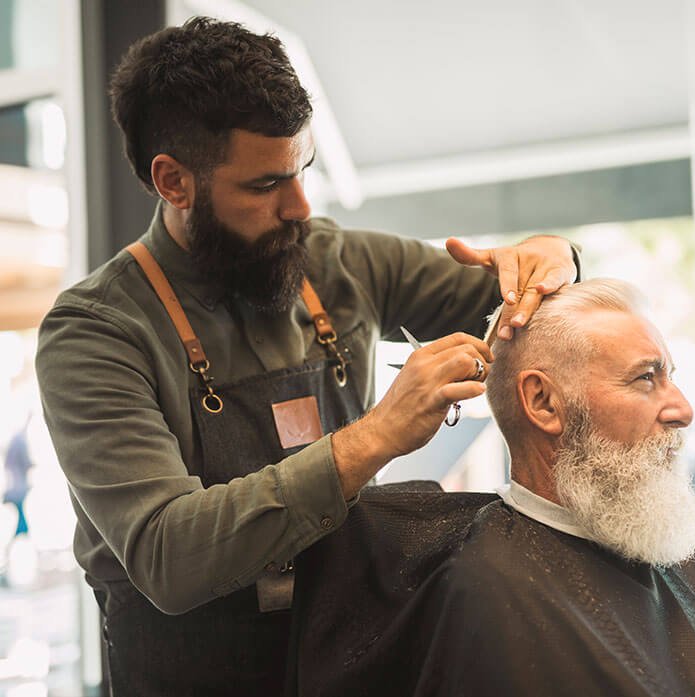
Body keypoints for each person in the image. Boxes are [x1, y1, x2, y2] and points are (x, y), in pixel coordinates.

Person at [35, 17, 578, 696]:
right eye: (265, 185)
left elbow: (519, 295)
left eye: (303, 171)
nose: (299, 206)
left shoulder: (336, 261)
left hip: (353, 665)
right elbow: (169, 553)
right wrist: (375, 436)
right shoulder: (96, 332)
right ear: (173, 182)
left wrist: (554, 258)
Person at [288, 279, 695, 697]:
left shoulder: (658, 549)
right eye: (646, 379)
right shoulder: (493, 595)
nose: (682, 409)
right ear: (543, 402)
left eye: (670, 376)